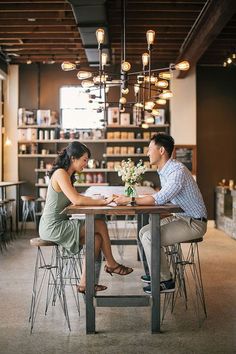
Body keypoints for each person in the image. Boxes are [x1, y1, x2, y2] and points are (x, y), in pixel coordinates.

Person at [114, 132, 207, 294]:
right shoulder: (165, 170)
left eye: (150, 149)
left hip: (194, 223)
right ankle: (156, 272)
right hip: (182, 218)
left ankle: (165, 280)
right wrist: (138, 198)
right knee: (144, 232)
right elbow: (162, 197)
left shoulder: (176, 171)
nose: (147, 153)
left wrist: (130, 200)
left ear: (161, 150)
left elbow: (160, 198)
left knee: (150, 236)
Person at [39, 141, 133, 293]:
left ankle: (85, 284)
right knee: (100, 224)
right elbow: (76, 200)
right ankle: (111, 264)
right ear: (73, 158)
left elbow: (74, 199)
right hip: (53, 226)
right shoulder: (61, 174)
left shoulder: (67, 175)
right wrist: (103, 201)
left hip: (60, 223)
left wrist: (94, 199)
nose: (86, 164)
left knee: (96, 238)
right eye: (84, 160)